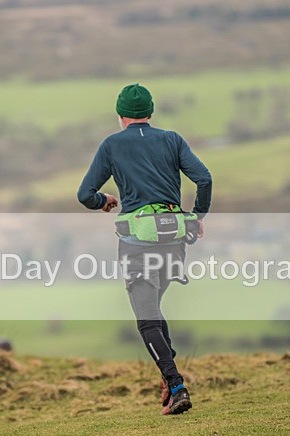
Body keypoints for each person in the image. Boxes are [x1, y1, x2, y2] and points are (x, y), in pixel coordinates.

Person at [77, 83, 212, 415]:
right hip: (173, 240)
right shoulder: (172, 139)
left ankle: (176, 385)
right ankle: (170, 379)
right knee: (153, 310)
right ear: (150, 111)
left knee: (146, 318)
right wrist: (196, 217)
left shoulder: (112, 145)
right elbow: (204, 179)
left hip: (137, 243)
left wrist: (104, 201)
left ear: (120, 114)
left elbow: (85, 194)